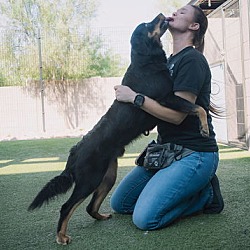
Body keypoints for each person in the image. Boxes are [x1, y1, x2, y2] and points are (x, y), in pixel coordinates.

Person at [110, 4, 224, 231]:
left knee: (145, 219)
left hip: (195, 153)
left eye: (182, 12)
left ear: (193, 26)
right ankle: (177, 186)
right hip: (166, 151)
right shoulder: (168, 61)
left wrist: (135, 98)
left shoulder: (191, 60)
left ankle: (206, 195)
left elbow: (176, 117)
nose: (175, 13)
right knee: (120, 203)